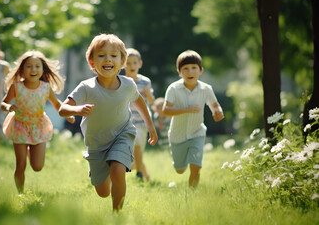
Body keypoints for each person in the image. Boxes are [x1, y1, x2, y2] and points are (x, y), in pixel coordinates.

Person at [58, 34, 158, 211]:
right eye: (102, 55)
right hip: (96, 143)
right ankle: (108, 173)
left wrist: (150, 125)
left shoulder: (128, 85)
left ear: (122, 62)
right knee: (103, 191)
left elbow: (140, 102)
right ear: (92, 62)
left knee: (118, 169)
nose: (108, 59)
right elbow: (63, 109)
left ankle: (117, 215)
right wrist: (78, 110)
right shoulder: (86, 87)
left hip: (123, 133)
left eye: (114, 55)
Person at [1, 50, 75, 194]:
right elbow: (3, 104)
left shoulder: (45, 88)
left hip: (39, 126)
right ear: (22, 70)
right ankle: (20, 194)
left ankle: (30, 150)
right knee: (20, 164)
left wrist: (68, 114)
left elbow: (57, 104)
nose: (33, 69)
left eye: (37, 66)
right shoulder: (16, 87)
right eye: (29, 66)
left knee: (37, 166)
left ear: (42, 69)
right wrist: (9, 107)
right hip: (20, 126)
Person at [162, 50, 224, 188]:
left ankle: (192, 195)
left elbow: (214, 105)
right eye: (185, 69)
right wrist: (186, 109)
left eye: (194, 68)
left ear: (201, 70)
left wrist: (217, 111)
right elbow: (166, 110)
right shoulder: (173, 89)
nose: (190, 72)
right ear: (179, 72)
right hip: (178, 136)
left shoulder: (206, 89)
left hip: (197, 133)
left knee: (196, 166)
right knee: (180, 170)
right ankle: (179, 163)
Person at [124, 48, 155, 181]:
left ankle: (142, 175)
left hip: (142, 121)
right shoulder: (121, 81)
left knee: (138, 149)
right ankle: (142, 175)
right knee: (133, 152)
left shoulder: (145, 82)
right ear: (123, 65)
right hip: (126, 121)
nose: (131, 66)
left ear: (140, 64)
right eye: (128, 63)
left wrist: (148, 94)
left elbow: (152, 101)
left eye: (134, 63)